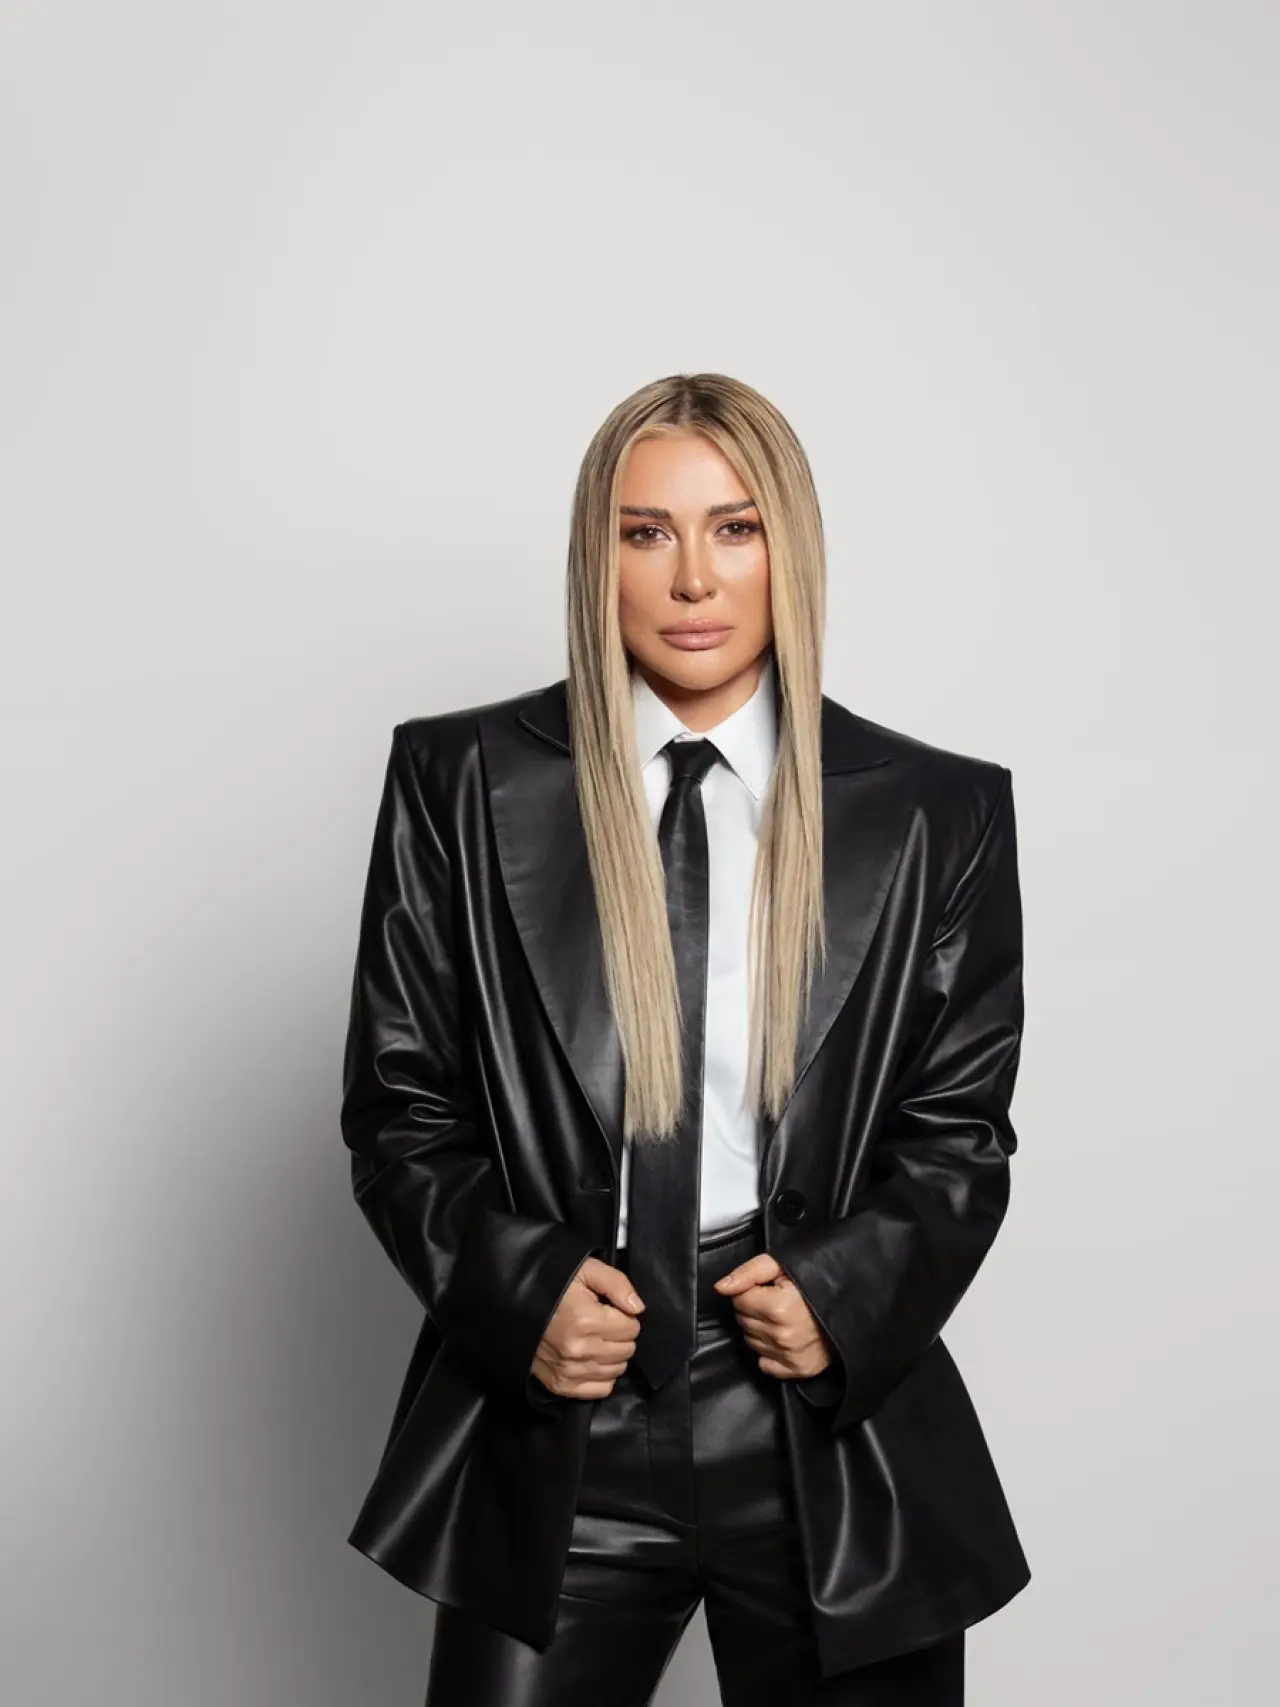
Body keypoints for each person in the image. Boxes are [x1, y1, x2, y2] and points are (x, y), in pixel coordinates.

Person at [340, 373, 1031, 1706]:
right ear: (595, 556)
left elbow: (960, 1132)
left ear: (790, 548)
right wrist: (522, 1289)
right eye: (646, 532)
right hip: (563, 1416)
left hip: (821, 1416)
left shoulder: (935, 812)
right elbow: (398, 1105)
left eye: (736, 527)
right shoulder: (461, 782)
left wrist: (845, 1294)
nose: (694, 578)